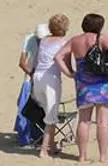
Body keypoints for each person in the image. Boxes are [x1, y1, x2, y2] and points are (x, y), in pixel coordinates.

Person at [55, 14, 108, 164]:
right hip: (103, 83)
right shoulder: (101, 38)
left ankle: (82, 157)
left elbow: (58, 56)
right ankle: (103, 157)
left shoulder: (75, 40)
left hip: (83, 84)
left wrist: (70, 73)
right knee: (102, 121)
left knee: (84, 121)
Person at [32, 14, 70, 158]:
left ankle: (52, 145)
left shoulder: (43, 41)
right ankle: (44, 150)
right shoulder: (63, 42)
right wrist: (72, 74)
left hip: (38, 76)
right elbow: (66, 63)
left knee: (48, 111)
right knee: (51, 115)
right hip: (51, 78)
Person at [14, 23, 51, 146]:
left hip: (43, 79)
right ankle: (25, 136)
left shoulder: (50, 42)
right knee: (25, 107)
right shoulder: (29, 39)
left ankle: (38, 136)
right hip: (31, 79)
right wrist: (31, 73)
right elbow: (22, 63)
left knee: (40, 109)